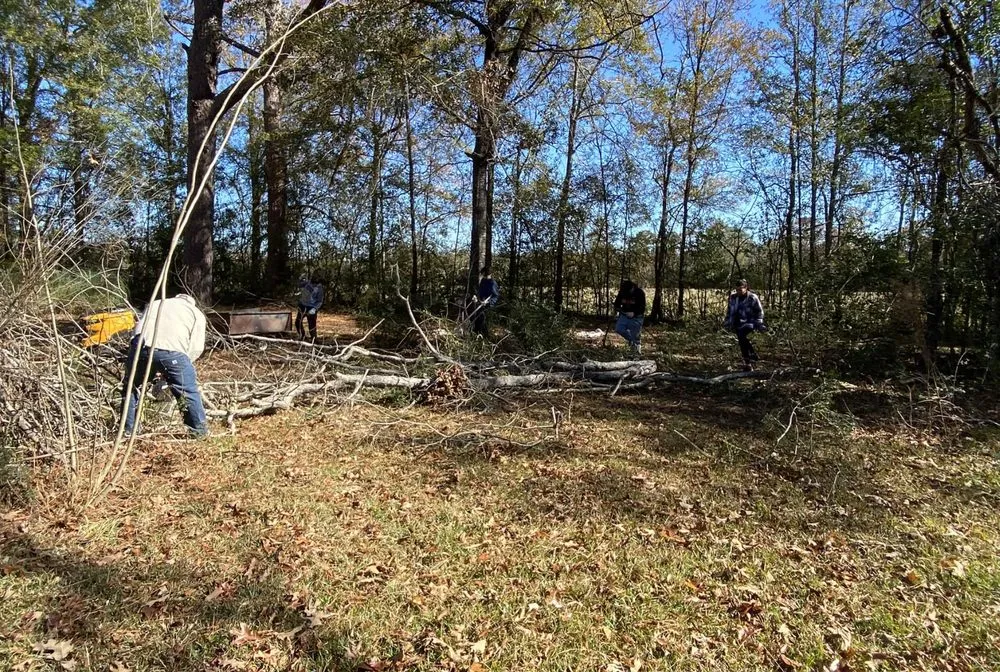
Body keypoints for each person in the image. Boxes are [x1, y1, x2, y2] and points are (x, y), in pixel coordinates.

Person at [122, 293, 208, 437]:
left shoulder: (157, 303)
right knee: (186, 392)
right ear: (191, 302)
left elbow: (138, 329)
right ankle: (198, 431)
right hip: (172, 352)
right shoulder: (195, 313)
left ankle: (129, 431)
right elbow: (196, 348)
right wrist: (180, 366)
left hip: (140, 348)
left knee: (132, 387)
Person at [723, 279, 766, 371]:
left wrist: (759, 324)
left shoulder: (752, 297)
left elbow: (759, 312)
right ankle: (750, 360)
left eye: (741, 289)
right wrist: (727, 323)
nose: (739, 291)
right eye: (737, 289)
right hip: (737, 323)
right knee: (741, 340)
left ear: (746, 288)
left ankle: (749, 360)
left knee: (741, 336)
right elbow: (729, 311)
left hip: (750, 322)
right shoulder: (733, 297)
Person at [613, 279, 646, 355]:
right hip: (624, 315)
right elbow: (617, 303)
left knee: (635, 335)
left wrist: (634, 313)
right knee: (619, 329)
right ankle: (632, 341)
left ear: (632, 288)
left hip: (637, 317)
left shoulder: (639, 293)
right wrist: (617, 310)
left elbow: (642, 308)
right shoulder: (622, 292)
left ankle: (637, 352)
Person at [472, 267, 500, 337]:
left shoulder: (492, 283)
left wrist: (488, 302)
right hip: (481, 303)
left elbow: (495, 296)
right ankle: (476, 334)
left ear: (489, 274)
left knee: (482, 319)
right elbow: (480, 292)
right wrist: (477, 298)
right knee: (476, 317)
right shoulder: (483, 281)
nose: (484, 276)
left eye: (485, 275)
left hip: (488, 305)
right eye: (483, 275)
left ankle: (485, 336)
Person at [296, 274, 325, 340]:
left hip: (311, 307)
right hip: (302, 306)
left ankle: (314, 339)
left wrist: (314, 309)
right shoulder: (307, 283)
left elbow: (320, 301)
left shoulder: (319, 288)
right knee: (298, 322)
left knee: (312, 324)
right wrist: (300, 279)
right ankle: (302, 336)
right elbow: (299, 285)